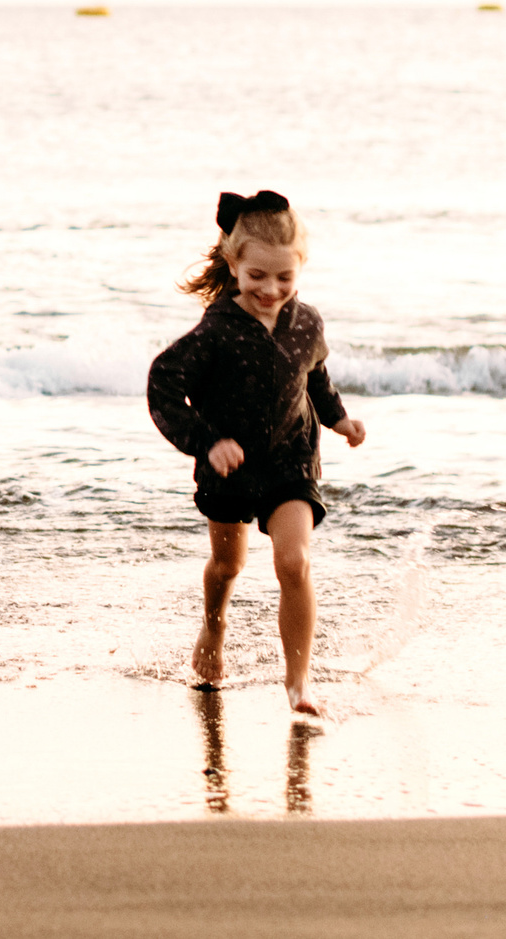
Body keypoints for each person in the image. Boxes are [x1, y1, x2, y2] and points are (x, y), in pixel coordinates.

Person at [147, 189, 366, 710]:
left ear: (300, 269)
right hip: (230, 467)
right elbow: (161, 384)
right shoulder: (216, 331)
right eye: (258, 277)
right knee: (227, 567)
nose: (272, 290)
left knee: (294, 562)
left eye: (285, 278)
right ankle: (213, 630)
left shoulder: (308, 321)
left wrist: (338, 419)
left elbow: (314, 375)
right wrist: (206, 443)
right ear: (234, 264)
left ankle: (297, 684)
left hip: (291, 460)